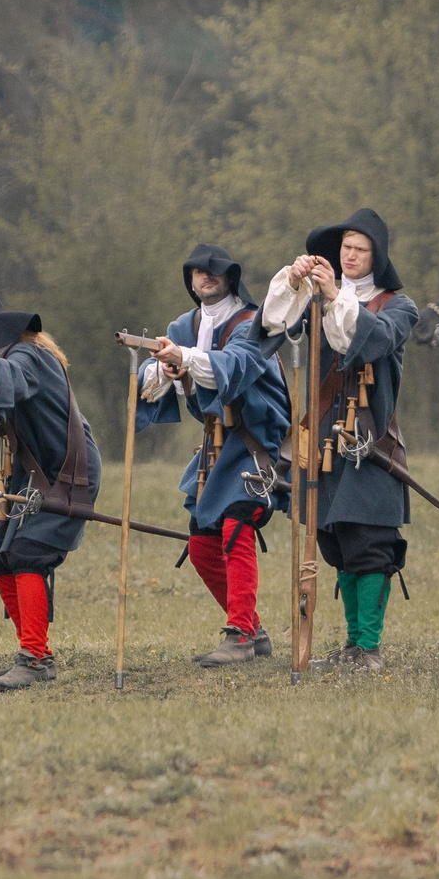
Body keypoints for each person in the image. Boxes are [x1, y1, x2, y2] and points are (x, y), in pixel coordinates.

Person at [263, 210, 417, 668]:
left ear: (377, 257)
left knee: (370, 541)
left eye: (360, 248)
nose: (350, 255)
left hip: (371, 440)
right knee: (335, 540)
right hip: (325, 437)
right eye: (346, 247)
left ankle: (367, 648)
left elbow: (370, 342)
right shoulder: (318, 299)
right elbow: (272, 325)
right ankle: (352, 645)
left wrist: (332, 295)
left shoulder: (398, 307)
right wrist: (294, 284)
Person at [0, 290, 101, 692]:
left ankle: (36, 657)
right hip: (33, 473)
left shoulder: (28, 356)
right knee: (0, 556)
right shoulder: (9, 358)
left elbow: (11, 381)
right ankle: (32, 651)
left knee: (28, 554)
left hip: (67, 471)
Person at [137, 244, 290, 667]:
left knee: (237, 525)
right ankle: (254, 629)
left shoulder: (251, 323)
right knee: (203, 543)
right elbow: (152, 384)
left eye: (214, 272)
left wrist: (183, 358)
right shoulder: (182, 326)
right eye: (198, 272)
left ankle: (239, 634)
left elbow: (233, 366)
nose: (206, 277)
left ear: (229, 278)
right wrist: (163, 368)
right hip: (215, 444)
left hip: (255, 438)